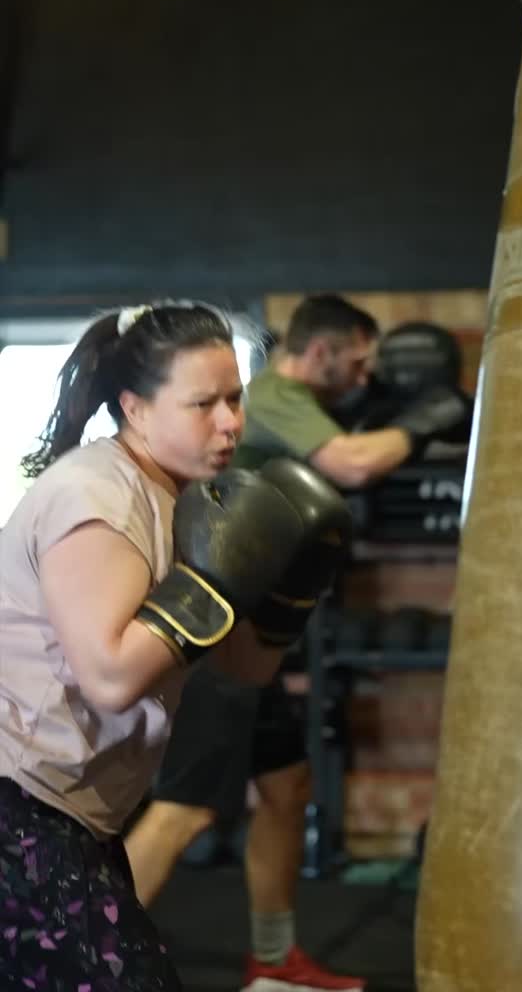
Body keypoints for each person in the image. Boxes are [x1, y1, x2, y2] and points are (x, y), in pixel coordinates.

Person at [0, 299, 352, 991]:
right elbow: (109, 677)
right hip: (19, 805)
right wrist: (212, 584)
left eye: (234, 399)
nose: (230, 422)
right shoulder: (97, 497)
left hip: (75, 810)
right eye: (202, 404)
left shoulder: (191, 501)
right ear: (134, 408)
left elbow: (243, 667)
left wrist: (289, 593)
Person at [126, 295, 467, 992]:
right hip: (213, 630)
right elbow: (353, 464)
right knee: (185, 810)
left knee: (287, 787)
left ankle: (275, 961)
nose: (366, 377)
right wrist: (423, 423)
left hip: (256, 637)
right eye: (358, 362)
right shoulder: (280, 396)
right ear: (321, 351)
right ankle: (69, 962)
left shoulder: (294, 408)